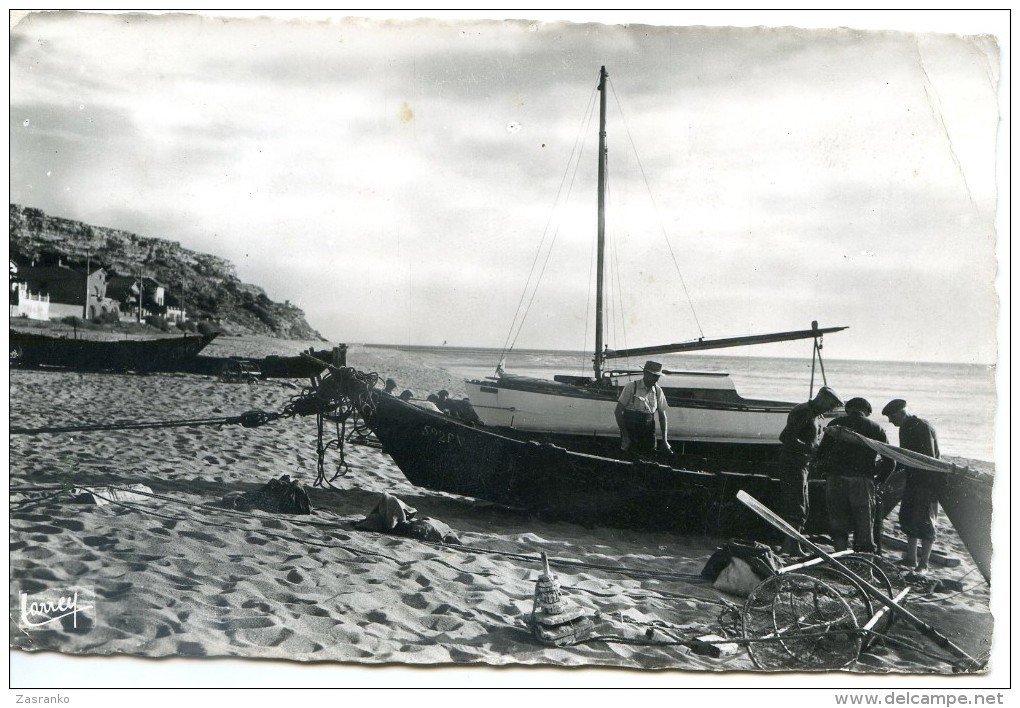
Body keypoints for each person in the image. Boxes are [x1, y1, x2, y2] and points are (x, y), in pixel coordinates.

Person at [816, 397, 895, 553]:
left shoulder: (835, 425)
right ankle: (865, 563)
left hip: (836, 479)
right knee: (864, 524)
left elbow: (821, 454)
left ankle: (840, 556)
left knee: (838, 522)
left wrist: (825, 472)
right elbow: (890, 461)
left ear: (848, 409)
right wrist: (880, 480)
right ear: (867, 412)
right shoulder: (876, 428)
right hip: (862, 481)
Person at [776, 385, 843, 556]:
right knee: (797, 505)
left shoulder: (815, 414)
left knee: (802, 505)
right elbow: (786, 437)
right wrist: (810, 449)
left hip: (802, 464)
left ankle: (790, 545)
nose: (831, 409)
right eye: (831, 404)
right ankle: (791, 547)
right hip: (793, 463)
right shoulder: (804, 412)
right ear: (822, 398)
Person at [882, 398, 942, 574]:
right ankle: (911, 558)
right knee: (908, 517)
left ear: (901, 413)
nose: (890, 421)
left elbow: (929, 459)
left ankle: (923, 564)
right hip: (912, 480)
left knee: (925, 521)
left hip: (927, 482)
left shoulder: (922, 426)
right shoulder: (905, 427)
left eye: (892, 417)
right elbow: (904, 456)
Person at [614, 361, 672, 458]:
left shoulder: (658, 391)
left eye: (658, 376)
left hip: (649, 432)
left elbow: (662, 417)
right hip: (631, 431)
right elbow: (618, 412)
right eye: (654, 375)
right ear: (645, 373)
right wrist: (625, 436)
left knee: (650, 459)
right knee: (629, 459)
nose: (656, 379)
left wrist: (664, 440)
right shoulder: (631, 387)